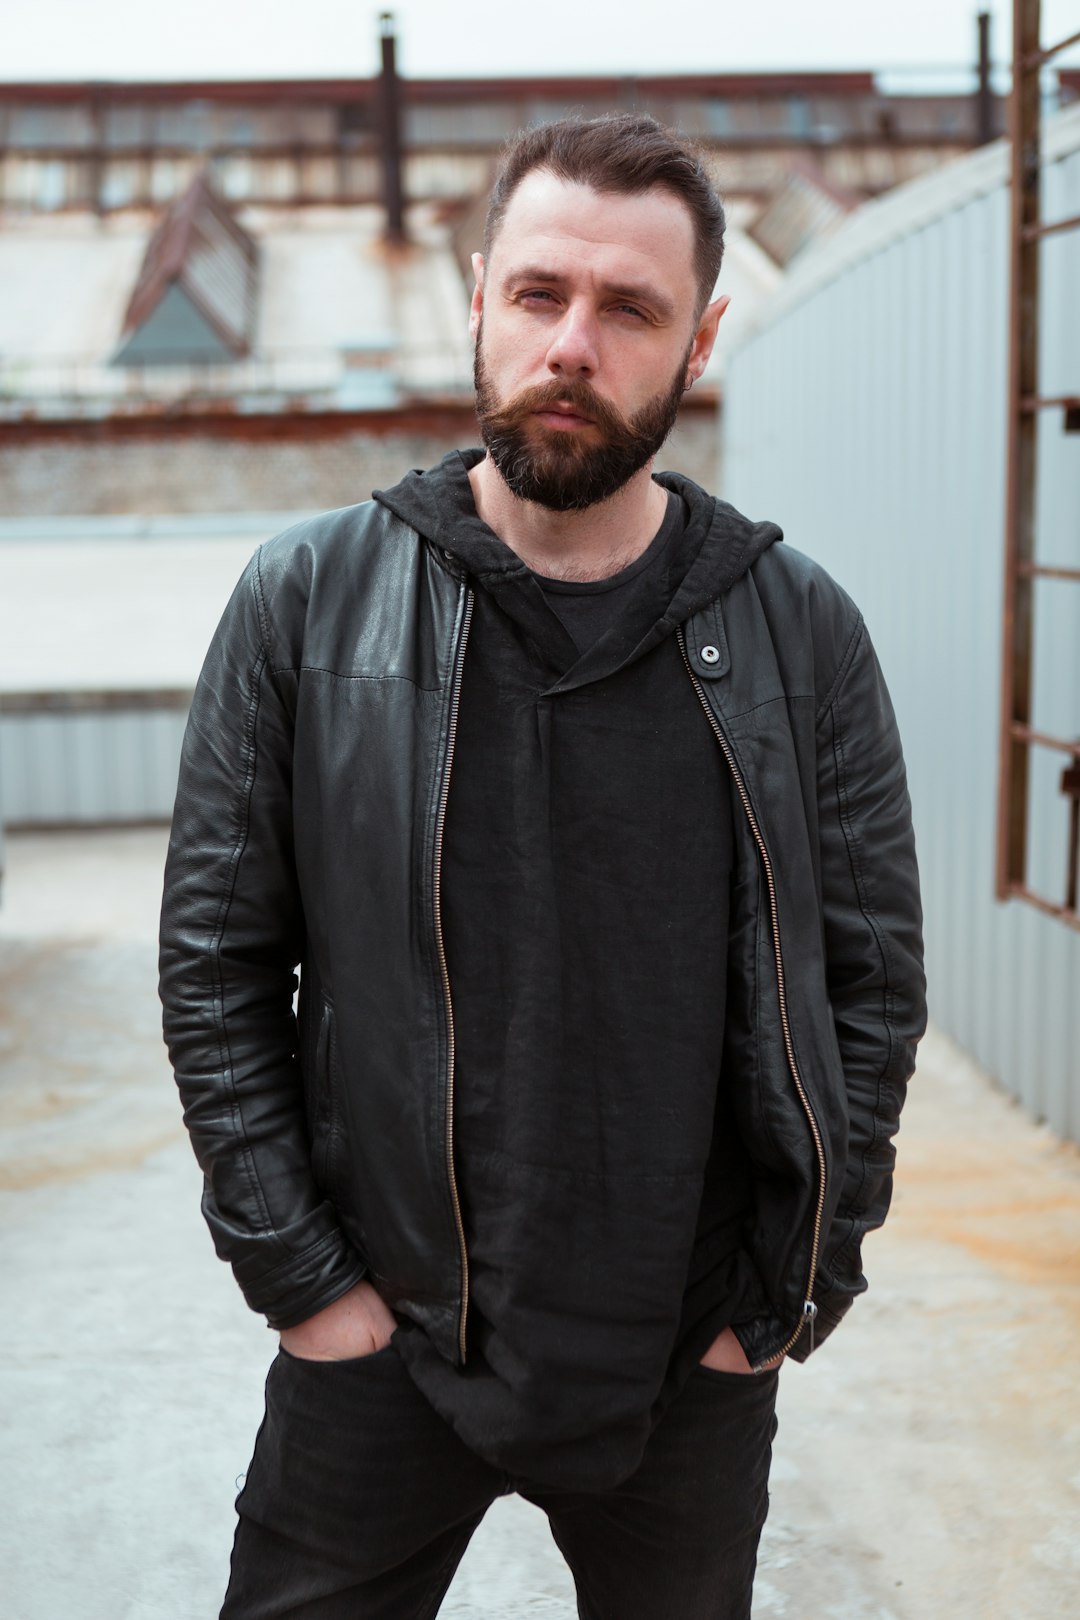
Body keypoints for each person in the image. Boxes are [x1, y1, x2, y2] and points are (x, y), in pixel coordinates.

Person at [159, 113, 925, 1620]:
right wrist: (310, 1292)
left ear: (700, 337)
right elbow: (218, 967)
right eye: (538, 294)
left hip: (687, 1360)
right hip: (382, 1338)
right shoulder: (308, 603)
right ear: (477, 299)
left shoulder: (798, 633)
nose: (573, 343)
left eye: (629, 309)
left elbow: (870, 992)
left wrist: (781, 1303)